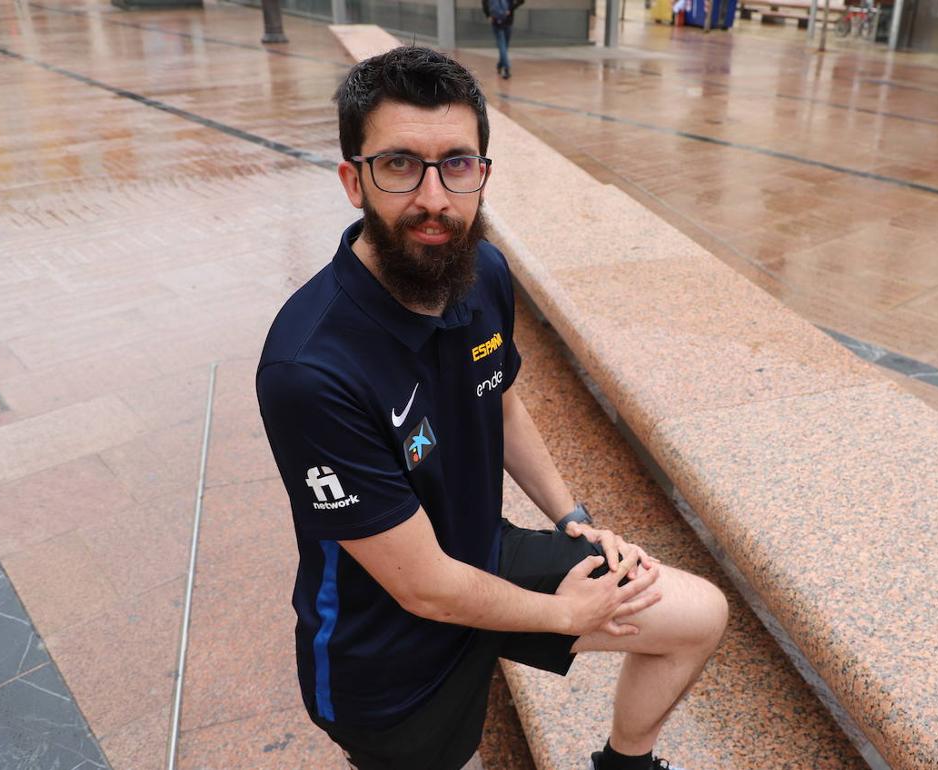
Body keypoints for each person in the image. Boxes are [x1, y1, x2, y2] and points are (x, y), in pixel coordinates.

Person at [255, 46, 728, 770]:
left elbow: (500, 400)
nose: (435, 198)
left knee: (698, 615)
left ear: (481, 172)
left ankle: (625, 765)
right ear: (354, 179)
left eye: (458, 163)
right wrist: (565, 614)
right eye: (400, 164)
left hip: (483, 556)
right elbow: (424, 588)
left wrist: (572, 519)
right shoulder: (309, 368)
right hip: (391, 650)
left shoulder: (484, 275)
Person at [483, 0, 523, 79]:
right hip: (507, 20)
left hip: (498, 20)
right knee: (503, 46)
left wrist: (488, 15)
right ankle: (506, 68)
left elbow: (484, 2)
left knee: (503, 47)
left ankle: (500, 65)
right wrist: (510, 9)